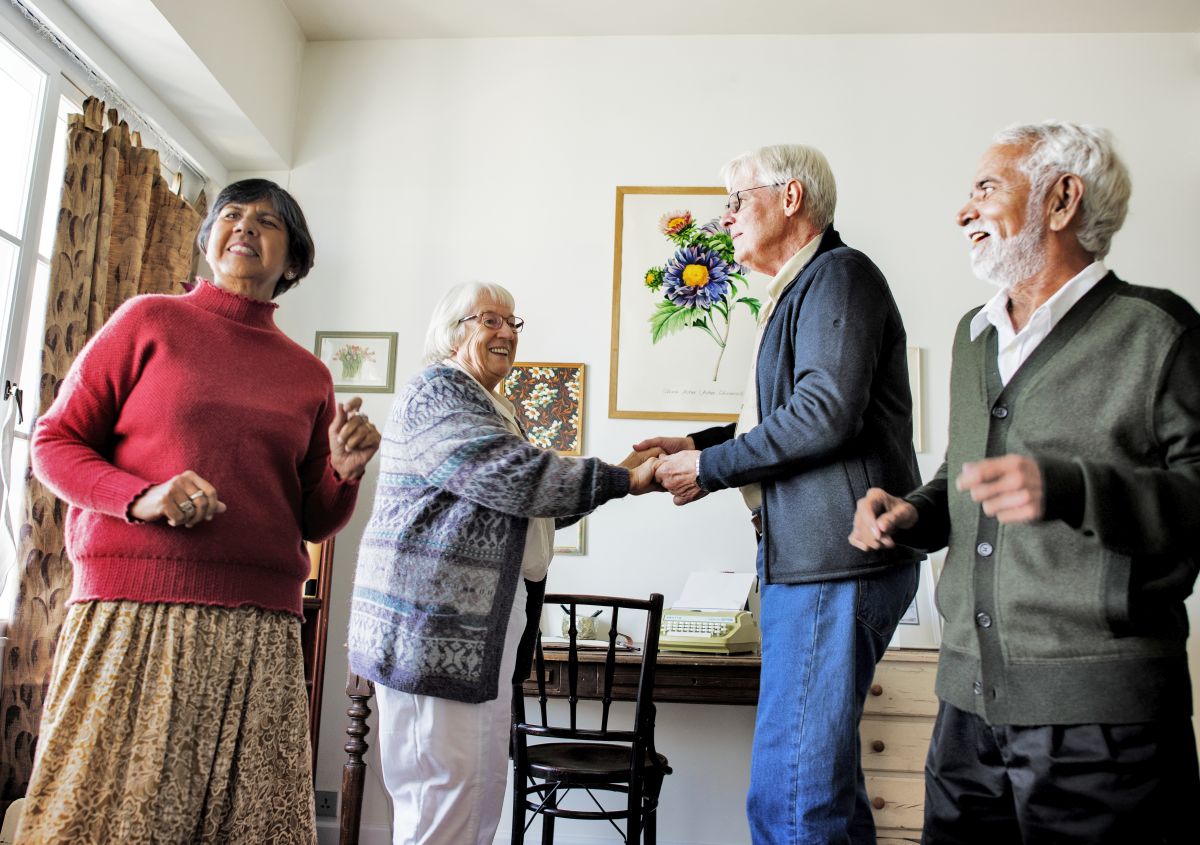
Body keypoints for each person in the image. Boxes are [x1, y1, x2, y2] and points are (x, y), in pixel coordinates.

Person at [849, 121, 1200, 843]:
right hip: (966, 711)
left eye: (985, 188)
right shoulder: (972, 335)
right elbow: (964, 471)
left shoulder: (1159, 331)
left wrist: (1073, 488)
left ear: (1062, 199)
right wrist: (914, 513)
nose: (963, 210)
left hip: (1103, 720)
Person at [17, 179, 381, 845]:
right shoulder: (147, 321)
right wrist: (142, 497)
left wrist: (344, 473)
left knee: (249, 827)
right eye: (231, 215)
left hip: (262, 628)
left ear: (293, 262)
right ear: (210, 237)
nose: (244, 227)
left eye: (268, 222)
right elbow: (53, 443)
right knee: (109, 821)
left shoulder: (309, 376)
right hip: (135, 612)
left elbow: (312, 517)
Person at [635, 145, 921, 843]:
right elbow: (783, 413)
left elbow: (824, 410)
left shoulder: (838, 275)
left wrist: (711, 468)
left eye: (737, 199)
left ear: (791, 198)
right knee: (826, 789)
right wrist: (699, 448)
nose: (725, 216)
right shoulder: (805, 285)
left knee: (791, 797)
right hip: (817, 562)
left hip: (832, 561)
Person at [347, 281, 662, 845]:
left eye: (514, 323)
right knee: (447, 798)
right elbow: (509, 474)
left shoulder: (492, 405)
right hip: (436, 630)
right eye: (490, 319)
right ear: (452, 332)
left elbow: (521, 511)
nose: (507, 333)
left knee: (473, 792)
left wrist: (616, 477)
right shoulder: (441, 390)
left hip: (470, 634)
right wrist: (621, 480)